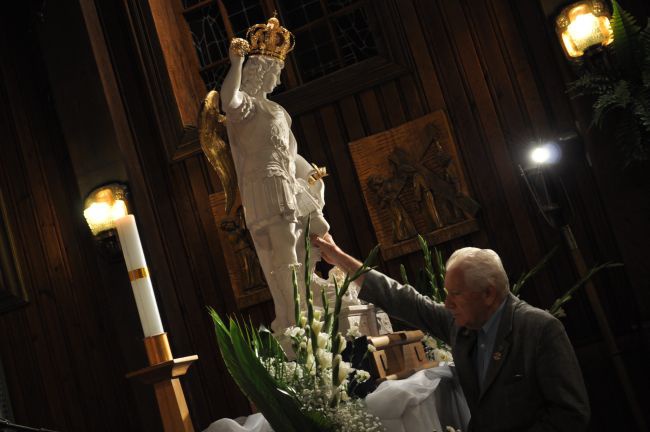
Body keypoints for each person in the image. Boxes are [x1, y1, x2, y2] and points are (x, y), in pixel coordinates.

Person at [312, 233, 590, 431]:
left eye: (456, 294)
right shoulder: (462, 324)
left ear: (489, 294)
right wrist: (338, 258)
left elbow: (570, 415)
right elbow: (403, 299)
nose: (447, 304)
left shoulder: (539, 329)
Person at [221, 17, 329, 333]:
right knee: (283, 246)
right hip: (265, 183)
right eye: (273, 70)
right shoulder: (248, 109)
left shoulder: (279, 112)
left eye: (277, 71)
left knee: (296, 243)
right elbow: (229, 100)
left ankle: (302, 305)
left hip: (284, 181)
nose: (276, 76)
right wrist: (236, 63)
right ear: (260, 73)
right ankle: (296, 315)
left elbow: (289, 152)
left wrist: (309, 176)